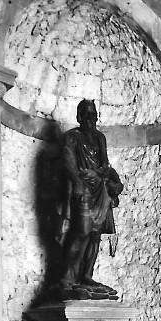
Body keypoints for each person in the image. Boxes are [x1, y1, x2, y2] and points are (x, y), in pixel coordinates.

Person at [58, 100, 123, 299]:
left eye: (93, 115)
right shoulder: (71, 137)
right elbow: (68, 161)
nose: (90, 119)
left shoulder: (100, 137)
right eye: (86, 115)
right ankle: (67, 279)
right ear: (78, 117)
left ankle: (86, 275)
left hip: (101, 189)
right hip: (84, 187)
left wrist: (114, 181)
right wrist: (77, 182)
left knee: (96, 235)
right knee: (82, 231)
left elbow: (105, 163)